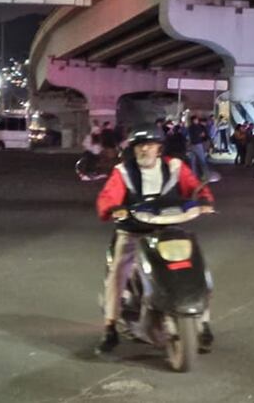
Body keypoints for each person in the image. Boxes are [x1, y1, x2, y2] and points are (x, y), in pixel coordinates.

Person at [94, 126, 215, 355]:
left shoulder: (175, 167)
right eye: (140, 145)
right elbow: (108, 196)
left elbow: (196, 186)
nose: (145, 149)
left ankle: (204, 323)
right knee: (119, 271)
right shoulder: (123, 172)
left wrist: (205, 200)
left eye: (150, 144)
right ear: (134, 149)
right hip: (133, 232)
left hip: (170, 229)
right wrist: (113, 208)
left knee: (198, 268)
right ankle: (110, 327)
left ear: (159, 148)